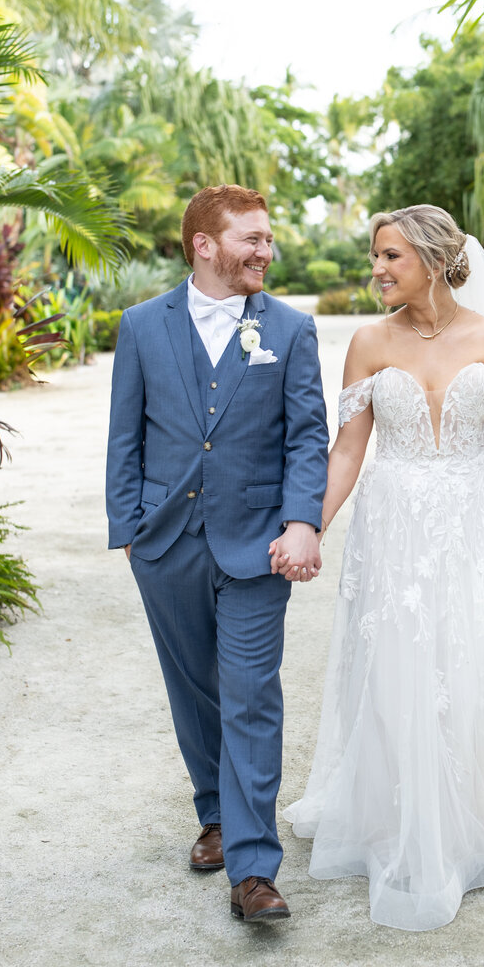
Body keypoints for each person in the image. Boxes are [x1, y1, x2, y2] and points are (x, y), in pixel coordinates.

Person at [277, 204, 484, 931]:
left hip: (479, 527)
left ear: (430, 257)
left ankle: (475, 820)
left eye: (390, 256)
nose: (377, 270)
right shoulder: (366, 342)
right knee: (397, 666)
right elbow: (349, 451)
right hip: (393, 532)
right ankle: (402, 816)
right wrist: (310, 527)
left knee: (475, 665)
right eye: (375, 256)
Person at [106, 184, 328, 923]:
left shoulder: (291, 331)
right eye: (251, 239)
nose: (266, 251)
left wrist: (304, 522)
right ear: (204, 244)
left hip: (259, 543)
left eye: (268, 239)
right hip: (165, 542)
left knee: (251, 693)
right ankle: (216, 814)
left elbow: (306, 435)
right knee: (193, 690)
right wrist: (130, 529)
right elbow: (125, 436)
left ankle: (254, 868)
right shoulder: (141, 326)